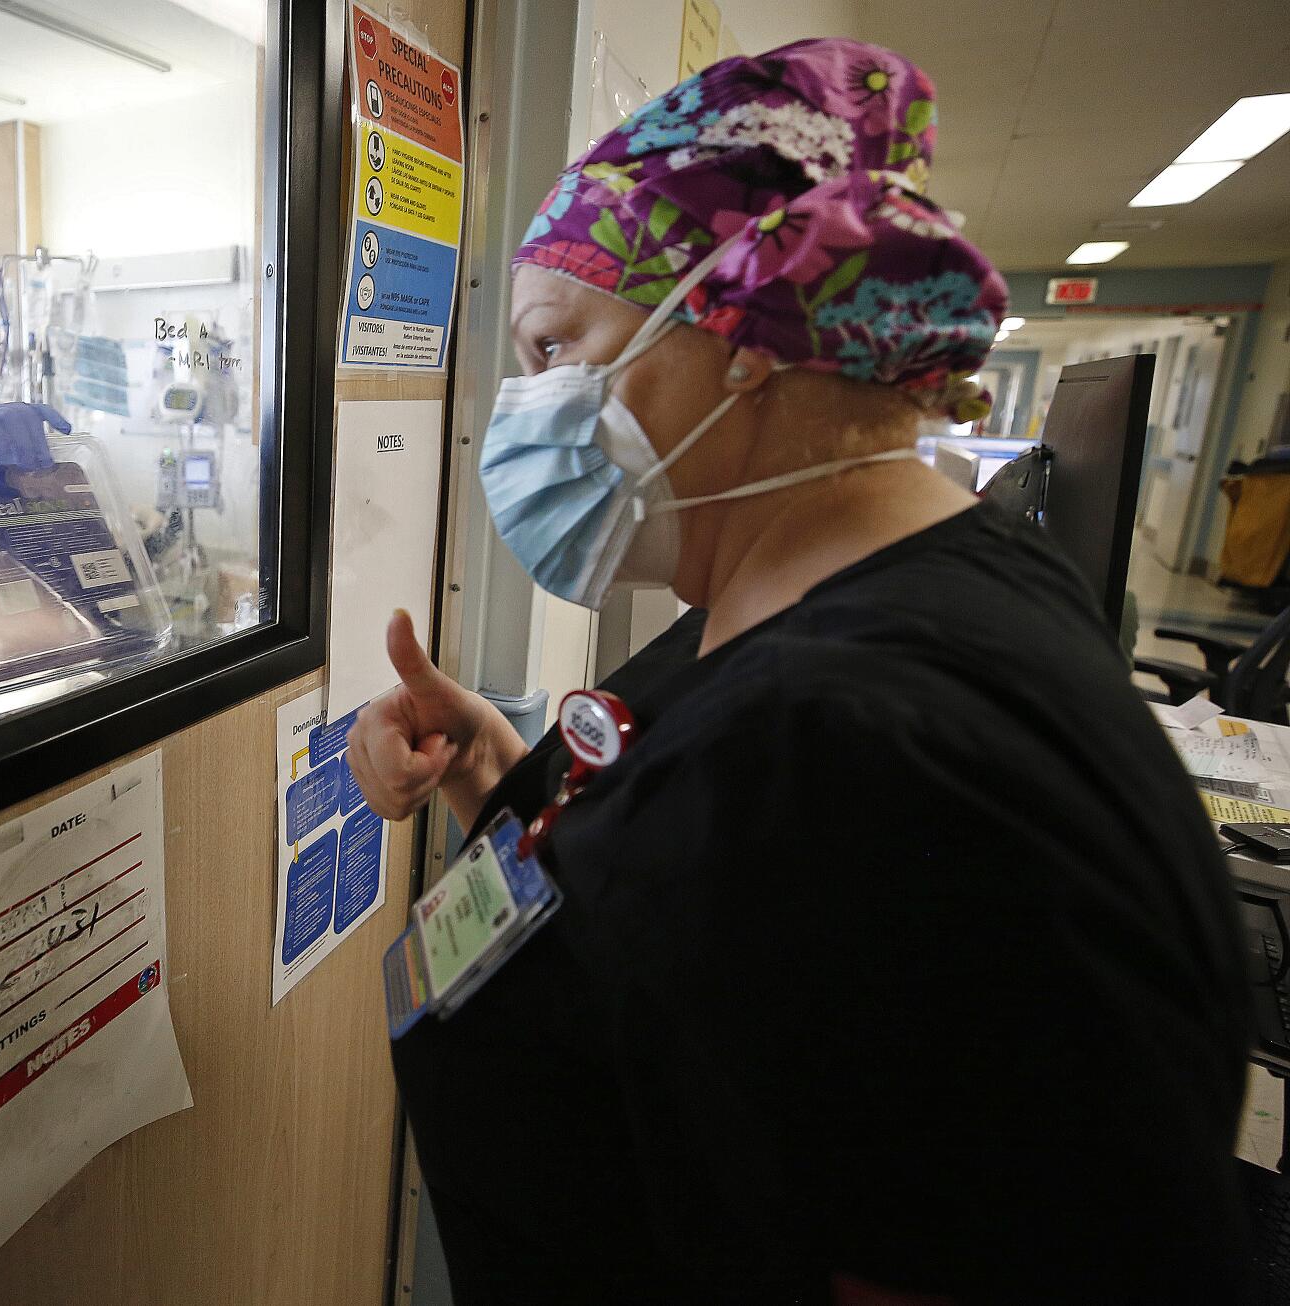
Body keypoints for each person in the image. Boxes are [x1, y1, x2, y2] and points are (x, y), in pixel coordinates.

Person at [348, 38, 1249, 1303]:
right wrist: (496, 774)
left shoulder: (861, 758)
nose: (519, 402)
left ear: (743, 333)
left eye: (553, 349)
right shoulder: (827, 581)